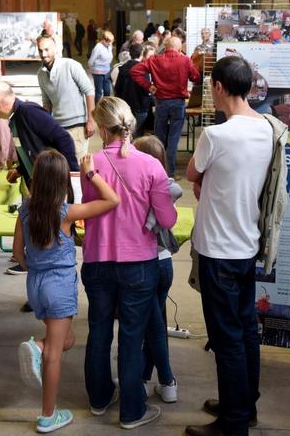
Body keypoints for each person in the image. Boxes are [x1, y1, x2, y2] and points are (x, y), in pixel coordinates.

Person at [184, 56, 273, 436]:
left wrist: (206, 181)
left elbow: (191, 173)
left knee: (226, 339)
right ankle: (244, 404)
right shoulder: (268, 128)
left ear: (219, 87)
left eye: (211, 86)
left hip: (218, 249)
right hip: (246, 243)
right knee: (245, 330)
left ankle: (233, 423)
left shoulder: (216, 135)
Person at [81, 97, 177, 430]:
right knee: (132, 337)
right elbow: (167, 218)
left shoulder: (89, 163)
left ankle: (99, 398)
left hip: (96, 260)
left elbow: (90, 206)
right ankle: (132, 410)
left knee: (99, 331)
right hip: (138, 263)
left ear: (104, 128)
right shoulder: (152, 166)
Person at [14, 150, 119, 433]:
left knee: (68, 340)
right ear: (62, 181)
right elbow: (112, 200)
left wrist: (36, 267)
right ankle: (48, 415)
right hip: (58, 285)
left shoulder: (25, 209)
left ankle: (40, 348)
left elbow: (17, 254)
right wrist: (91, 173)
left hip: (35, 284)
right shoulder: (66, 213)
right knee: (54, 356)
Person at [0, 81, 79, 278]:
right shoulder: (16, 117)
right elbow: (31, 147)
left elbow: (64, 139)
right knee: (39, 231)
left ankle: (49, 280)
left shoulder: (28, 112)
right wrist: (20, 169)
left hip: (53, 183)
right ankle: (36, 271)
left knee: (52, 236)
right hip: (38, 184)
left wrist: (72, 175)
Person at [133, 136, 181, 403]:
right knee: (155, 322)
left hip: (147, 264)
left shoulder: (141, 188)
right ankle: (144, 375)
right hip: (165, 265)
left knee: (152, 328)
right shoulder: (166, 187)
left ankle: (167, 379)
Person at [130, 36, 200, 179]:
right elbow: (196, 77)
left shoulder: (154, 60)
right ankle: (170, 174)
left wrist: (148, 86)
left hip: (161, 102)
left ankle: (156, 172)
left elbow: (135, 71)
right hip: (178, 103)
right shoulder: (185, 60)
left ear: (165, 47)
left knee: (159, 138)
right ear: (179, 48)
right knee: (173, 140)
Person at [37, 35, 96, 161]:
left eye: (47, 49)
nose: (43, 54)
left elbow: (89, 91)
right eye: (40, 50)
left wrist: (91, 120)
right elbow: (47, 103)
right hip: (57, 128)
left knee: (78, 168)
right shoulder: (41, 74)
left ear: (55, 49)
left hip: (77, 127)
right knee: (62, 168)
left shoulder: (71, 65)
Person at [114, 43, 149, 137]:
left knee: (126, 134)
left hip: (125, 107)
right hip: (140, 107)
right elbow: (146, 89)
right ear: (142, 53)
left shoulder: (122, 69)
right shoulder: (143, 69)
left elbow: (117, 88)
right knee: (138, 133)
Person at [88, 30, 114, 104]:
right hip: (98, 72)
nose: (110, 44)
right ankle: (97, 107)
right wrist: (92, 70)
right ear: (103, 40)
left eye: (111, 42)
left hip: (107, 71)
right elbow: (91, 61)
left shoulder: (109, 46)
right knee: (99, 92)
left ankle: (106, 106)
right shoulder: (98, 48)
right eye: (109, 42)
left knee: (107, 91)